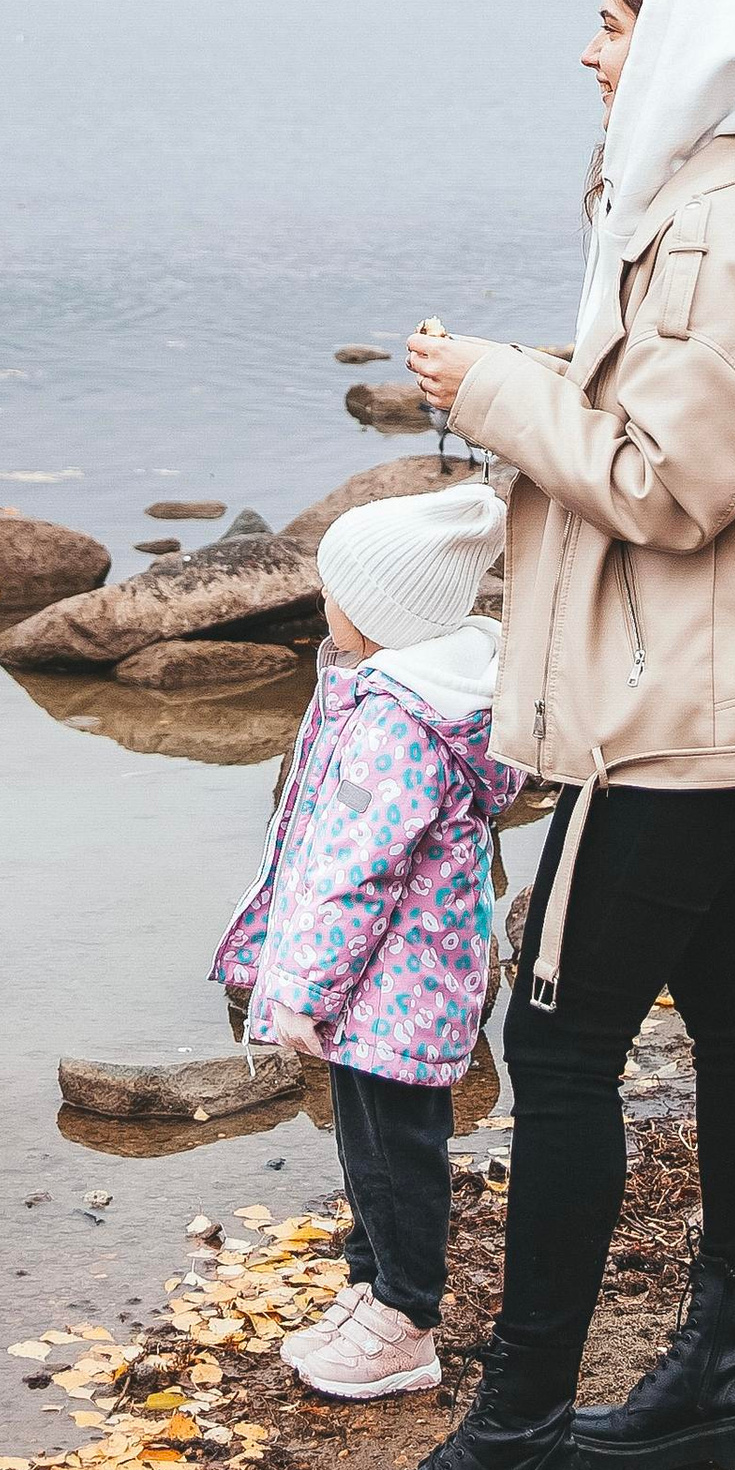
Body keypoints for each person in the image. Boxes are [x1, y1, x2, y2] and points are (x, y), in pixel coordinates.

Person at [333, 0, 735, 1470]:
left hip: (675, 725)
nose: (591, 49)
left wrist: (498, 389)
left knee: (558, 1052)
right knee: (732, 1019)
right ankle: (728, 1379)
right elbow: (678, 435)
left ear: (694, 42)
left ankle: (518, 1454)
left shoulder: (714, 237)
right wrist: (543, 382)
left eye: (614, 21)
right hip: (726, 699)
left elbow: (666, 484)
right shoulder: (714, 215)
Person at [211, 482, 519, 1402]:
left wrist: (303, 987)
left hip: (392, 983)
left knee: (391, 1151)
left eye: (333, 590)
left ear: (380, 616)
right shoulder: (385, 693)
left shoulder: (398, 723)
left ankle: (405, 1322)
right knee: (367, 1142)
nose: (321, 603)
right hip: (390, 983)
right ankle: (371, 1288)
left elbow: (358, 873)